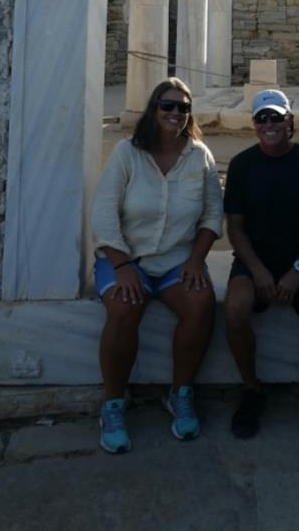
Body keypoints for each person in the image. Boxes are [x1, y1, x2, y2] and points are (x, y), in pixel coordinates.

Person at [91, 77, 223, 453]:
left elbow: (213, 212)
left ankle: (180, 394)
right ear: (153, 109)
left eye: (183, 107)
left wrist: (197, 260)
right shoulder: (126, 154)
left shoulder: (200, 156)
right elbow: (103, 212)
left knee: (200, 303)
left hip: (176, 261)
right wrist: (121, 265)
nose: (175, 113)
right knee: (123, 305)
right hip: (125, 257)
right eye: (167, 105)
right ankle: (114, 403)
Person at [223, 88, 299, 438]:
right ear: (254, 125)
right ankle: (251, 388)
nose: (269, 124)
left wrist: (296, 272)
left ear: (290, 121)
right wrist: (257, 270)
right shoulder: (242, 165)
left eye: (276, 117)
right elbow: (236, 228)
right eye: (262, 118)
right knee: (235, 307)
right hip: (253, 260)